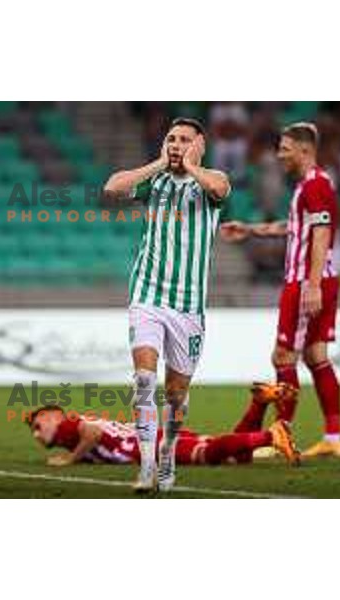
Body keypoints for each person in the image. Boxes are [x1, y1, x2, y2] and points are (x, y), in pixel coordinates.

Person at [104, 118, 231, 492]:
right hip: (148, 295)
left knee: (176, 395)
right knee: (144, 379)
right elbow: (111, 188)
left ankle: (168, 451)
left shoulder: (210, 180)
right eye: (171, 139)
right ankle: (145, 465)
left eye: (185, 140)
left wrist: (190, 164)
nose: (177, 144)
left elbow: (219, 189)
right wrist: (160, 163)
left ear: (200, 145)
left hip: (188, 305)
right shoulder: (155, 182)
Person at [220, 122, 340, 459]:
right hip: (314, 279)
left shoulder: (315, 185)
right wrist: (250, 229)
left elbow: (320, 235)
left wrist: (314, 284)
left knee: (283, 356)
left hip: (306, 281)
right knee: (316, 357)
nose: (279, 154)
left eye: (285, 148)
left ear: (304, 150)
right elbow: (292, 228)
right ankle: (334, 437)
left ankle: (280, 436)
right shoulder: (311, 185)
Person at [27, 382, 299, 473]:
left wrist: (70, 460)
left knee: (208, 455)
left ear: (53, 415)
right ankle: (259, 402)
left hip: (151, 446)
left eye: (38, 426)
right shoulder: (75, 422)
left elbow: (93, 433)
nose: (37, 435)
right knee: (236, 459)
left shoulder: (67, 427)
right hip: (152, 437)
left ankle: (271, 435)